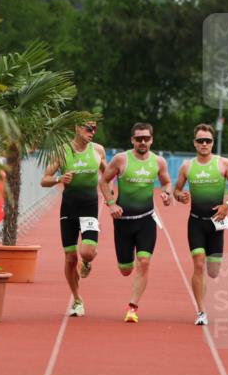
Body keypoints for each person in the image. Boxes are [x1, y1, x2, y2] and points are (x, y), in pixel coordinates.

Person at [100, 122, 173, 323]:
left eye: (146, 138)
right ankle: (126, 264)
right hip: (123, 221)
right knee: (125, 269)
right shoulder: (121, 159)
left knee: (144, 261)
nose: (142, 142)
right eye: (139, 138)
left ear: (152, 140)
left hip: (146, 220)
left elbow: (166, 182)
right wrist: (111, 204)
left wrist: (167, 193)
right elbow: (104, 181)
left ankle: (132, 307)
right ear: (132, 140)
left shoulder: (158, 161)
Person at [174, 123, 228, 326]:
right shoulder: (187, 166)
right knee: (198, 262)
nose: (204, 144)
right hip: (195, 222)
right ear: (194, 143)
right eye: (200, 140)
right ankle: (201, 311)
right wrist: (181, 196)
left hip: (216, 224)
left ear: (212, 143)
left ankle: (203, 296)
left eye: (208, 140)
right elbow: (177, 190)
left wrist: (227, 205)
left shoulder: (223, 164)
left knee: (213, 271)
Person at [40, 121, 106, 317]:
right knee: (70, 258)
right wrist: (59, 179)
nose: (92, 132)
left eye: (94, 129)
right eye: (88, 128)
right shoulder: (62, 150)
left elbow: (108, 174)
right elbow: (44, 179)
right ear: (77, 127)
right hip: (69, 208)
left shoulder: (98, 150)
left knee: (87, 252)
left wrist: (112, 198)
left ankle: (87, 262)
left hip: (89, 207)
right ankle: (77, 300)